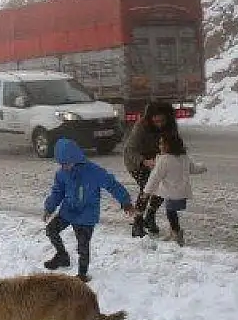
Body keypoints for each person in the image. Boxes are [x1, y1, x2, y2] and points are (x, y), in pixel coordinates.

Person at [43, 138, 134, 282]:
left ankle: (82, 274)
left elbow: (112, 185)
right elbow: (57, 192)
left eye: (66, 163)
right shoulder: (61, 174)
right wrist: (49, 207)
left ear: (76, 158)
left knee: (83, 246)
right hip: (68, 211)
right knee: (51, 230)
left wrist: (125, 202)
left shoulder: (94, 171)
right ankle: (62, 256)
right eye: (61, 164)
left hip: (86, 215)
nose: (64, 167)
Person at [122, 101, 179, 237]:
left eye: (162, 121)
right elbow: (130, 150)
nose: (159, 124)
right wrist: (144, 161)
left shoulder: (171, 127)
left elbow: (175, 145)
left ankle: (150, 216)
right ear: (150, 118)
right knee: (147, 188)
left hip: (158, 160)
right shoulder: (141, 126)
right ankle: (137, 222)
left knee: (163, 188)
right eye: (156, 121)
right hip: (137, 160)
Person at [141, 133, 207, 246]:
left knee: (170, 213)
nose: (160, 146)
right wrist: (203, 167)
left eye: (162, 144)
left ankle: (177, 234)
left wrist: (146, 192)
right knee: (172, 212)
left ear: (170, 146)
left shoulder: (164, 160)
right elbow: (193, 168)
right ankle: (174, 232)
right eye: (160, 143)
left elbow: (154, 178)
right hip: (182, 191)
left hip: (171, 192)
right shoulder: (183, 157)